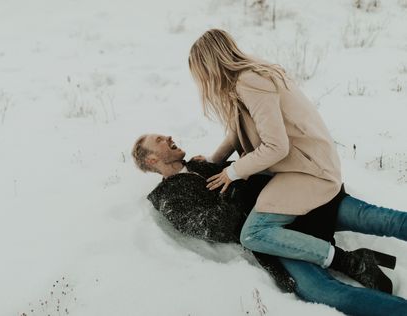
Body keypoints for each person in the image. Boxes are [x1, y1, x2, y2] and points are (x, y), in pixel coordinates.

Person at [187, 29, 405, 292]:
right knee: (371, 218)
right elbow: (238, 129)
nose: (202, 82)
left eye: (200, 74)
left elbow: (276, 146)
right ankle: (349, 261)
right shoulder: (242, 81)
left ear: (210, 65)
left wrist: (233, 172)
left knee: (253, 233)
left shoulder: (250, 82)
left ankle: (347, 261)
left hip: (309, 169)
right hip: (296, 165)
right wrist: (215, 160)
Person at [131, 133, 407, 316]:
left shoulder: (203, 165)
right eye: (159, 140)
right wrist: (234, 188)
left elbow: (248, 166)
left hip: (302, 202)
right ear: (152, 159)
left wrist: (228, 170)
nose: (168, 137)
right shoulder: (169, 199)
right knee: (324, 292)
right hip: (277, 237)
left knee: (383, 219)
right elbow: (216, 228)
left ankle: (355, 260)